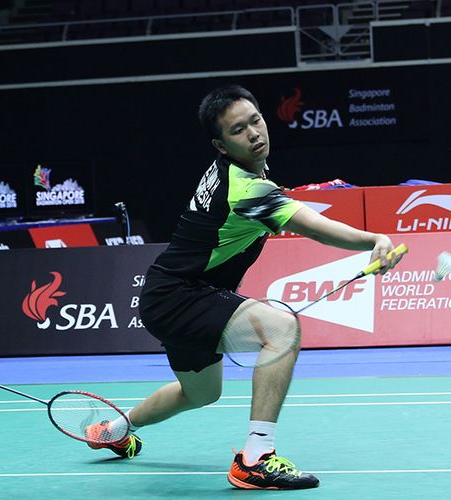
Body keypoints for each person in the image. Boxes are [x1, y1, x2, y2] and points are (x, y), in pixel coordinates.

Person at [86, 85, 403, 490]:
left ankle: (114, 429)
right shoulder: (247, 190)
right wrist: (372, 239)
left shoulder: (236, 173)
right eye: (239, 130)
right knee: (281, 329)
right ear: (221, 144)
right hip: (181, 295)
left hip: (167, 294)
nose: (254, 133)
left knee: (200, 394)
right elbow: (314, 227)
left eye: (255, 120)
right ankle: (256, 459)